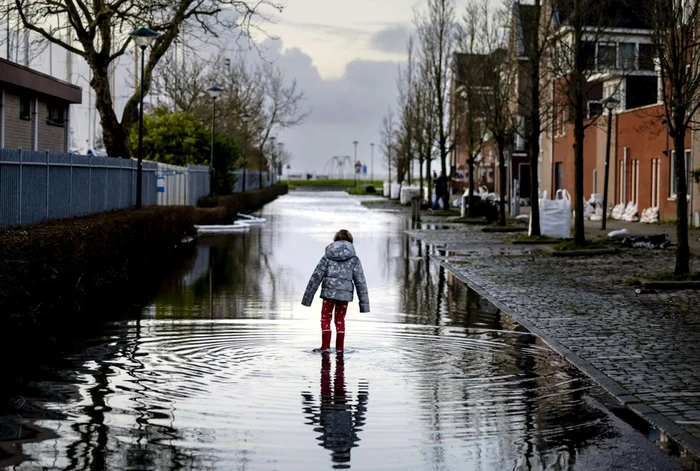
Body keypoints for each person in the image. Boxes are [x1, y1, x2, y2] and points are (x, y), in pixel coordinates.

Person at [302, 229, 370, 353]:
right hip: (344, 296)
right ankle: (339, 349)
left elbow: (315, 277)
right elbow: (361, 282)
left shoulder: (327, 257)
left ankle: (325, 347)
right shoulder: (354, 259)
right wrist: (364, 306)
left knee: (325, 319)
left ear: (335, 240)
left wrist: (307, 299)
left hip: (328, 295)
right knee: (340, 320)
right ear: (350, 242)